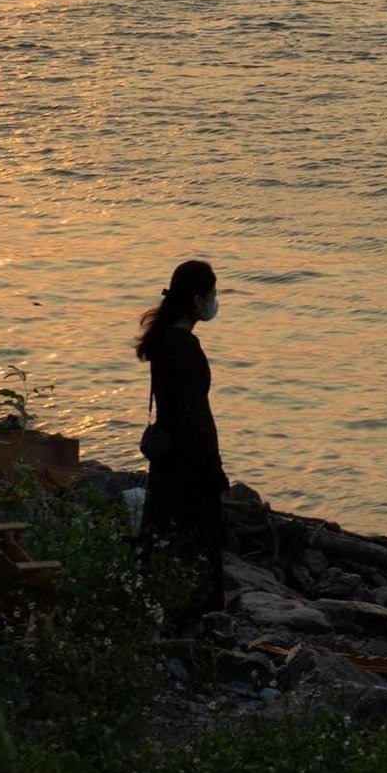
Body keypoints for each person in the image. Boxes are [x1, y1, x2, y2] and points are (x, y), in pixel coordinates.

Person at [137, 259, 228, 619]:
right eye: (212, 294)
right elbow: (196, 417)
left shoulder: (161, 342)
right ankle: (195, 619)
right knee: (197, 542)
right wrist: (214, 469)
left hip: (167, 460)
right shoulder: (184, 347)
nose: (215, 301)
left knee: (167, 539)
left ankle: (165, 608)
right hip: (190, 464)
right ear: (196, 300)